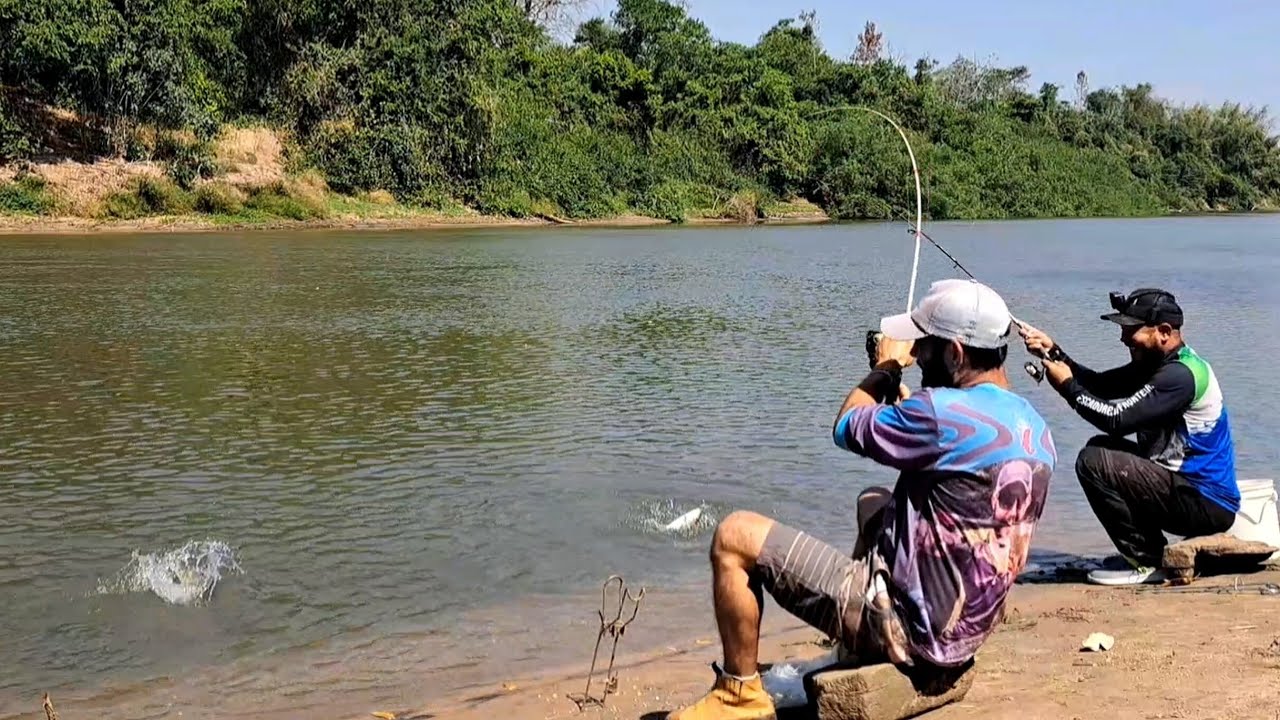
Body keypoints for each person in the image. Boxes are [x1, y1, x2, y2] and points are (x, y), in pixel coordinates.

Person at [665, 279, 1056, 720]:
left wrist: (886, 369)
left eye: (923, 346)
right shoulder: (1032, 425)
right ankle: (850, 647)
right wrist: (908, 402)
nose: (917, 355)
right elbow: (950, 468)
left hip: (912, 631)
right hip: (965, 628)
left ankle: (739, 694)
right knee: (873, 502)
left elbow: (847, 424)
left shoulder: (938, 412)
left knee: (734, 536)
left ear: (955, 354)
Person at [1020, 288, 1239, 586]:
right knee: (1099, 449)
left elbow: (1115, 419)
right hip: (1183, 490)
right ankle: (1146, 553)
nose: (1123, 339)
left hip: (1205, 502)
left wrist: (1068, 389)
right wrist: (1054, 352)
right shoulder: (1156, 364)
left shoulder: (1181, 375)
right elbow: (1100, 386)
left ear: (1164, 332)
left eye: (1131, 330)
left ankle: (1148, 562)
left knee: (1093, 461)